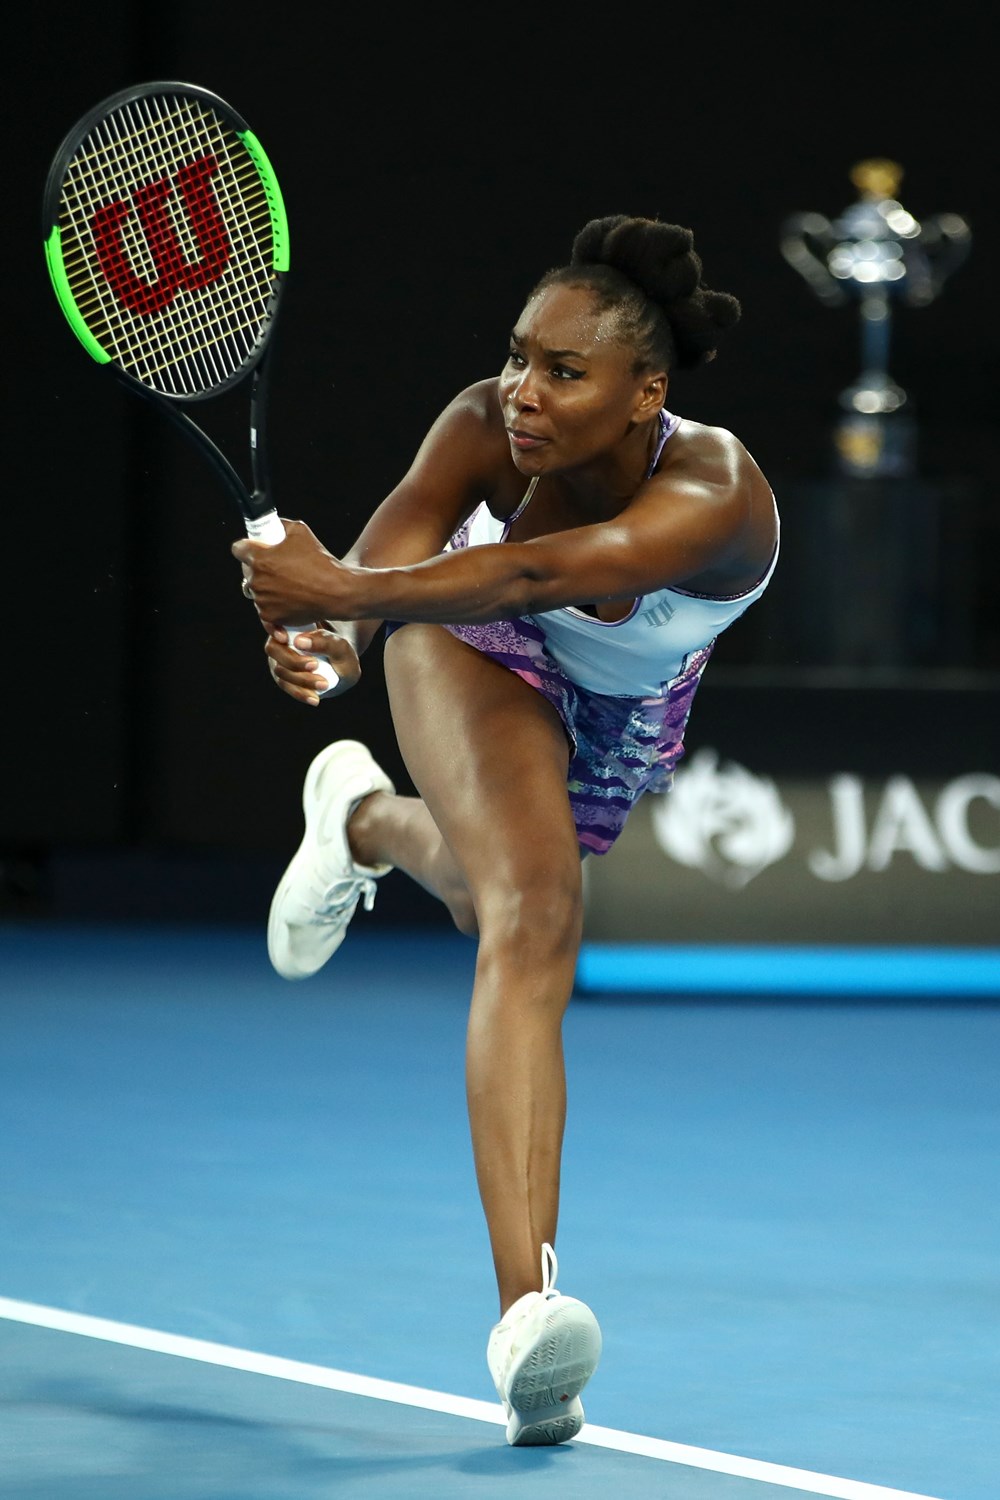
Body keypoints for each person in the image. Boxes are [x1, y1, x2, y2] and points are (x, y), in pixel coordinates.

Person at [232, 213, 779, 1447]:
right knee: (533, 920)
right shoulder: (485, 423)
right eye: (519, 356)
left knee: (488, 897)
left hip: (621, 700)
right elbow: (399, 554)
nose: (524, 391)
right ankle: (530, 1320)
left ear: (645, 394)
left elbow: (541, 572)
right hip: (472, 641)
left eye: (565, 372)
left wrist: (342, 590)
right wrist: (334, 639)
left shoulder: (716, 494)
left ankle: (363, 820)